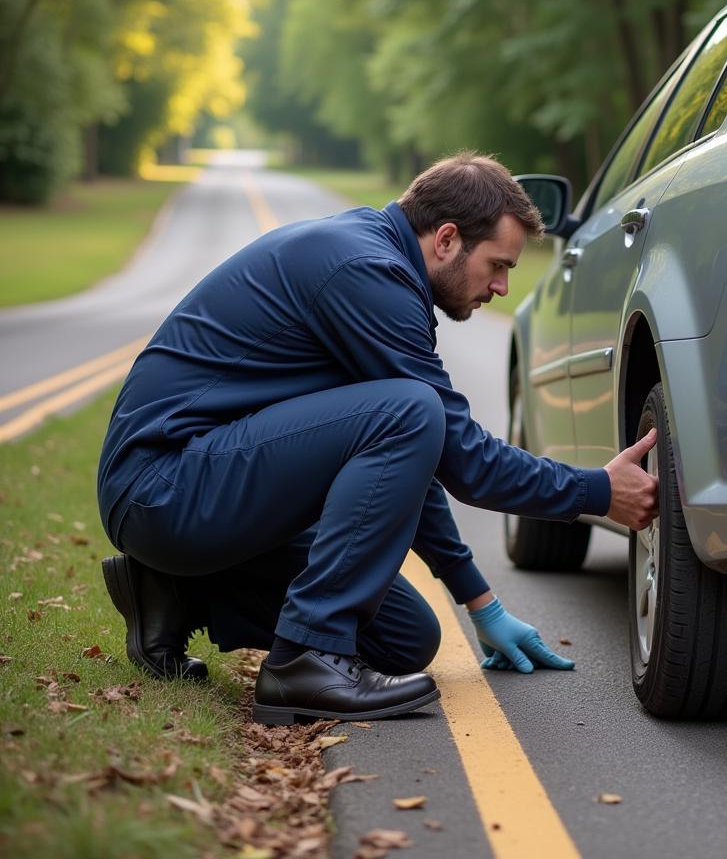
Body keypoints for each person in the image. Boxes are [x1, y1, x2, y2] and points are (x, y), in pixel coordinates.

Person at [96, 153, 659, 725]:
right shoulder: (365, 272)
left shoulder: (376, 261)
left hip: (203, 487)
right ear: (445, 239)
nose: (501, 286)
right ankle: (304, 661)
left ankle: (173, 590)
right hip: (163, 484)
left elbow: (413, 459)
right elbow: (459, 456)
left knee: (404, 640)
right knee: (411, 409)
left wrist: (479, 601)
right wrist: (596, 490)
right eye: (497, 264)